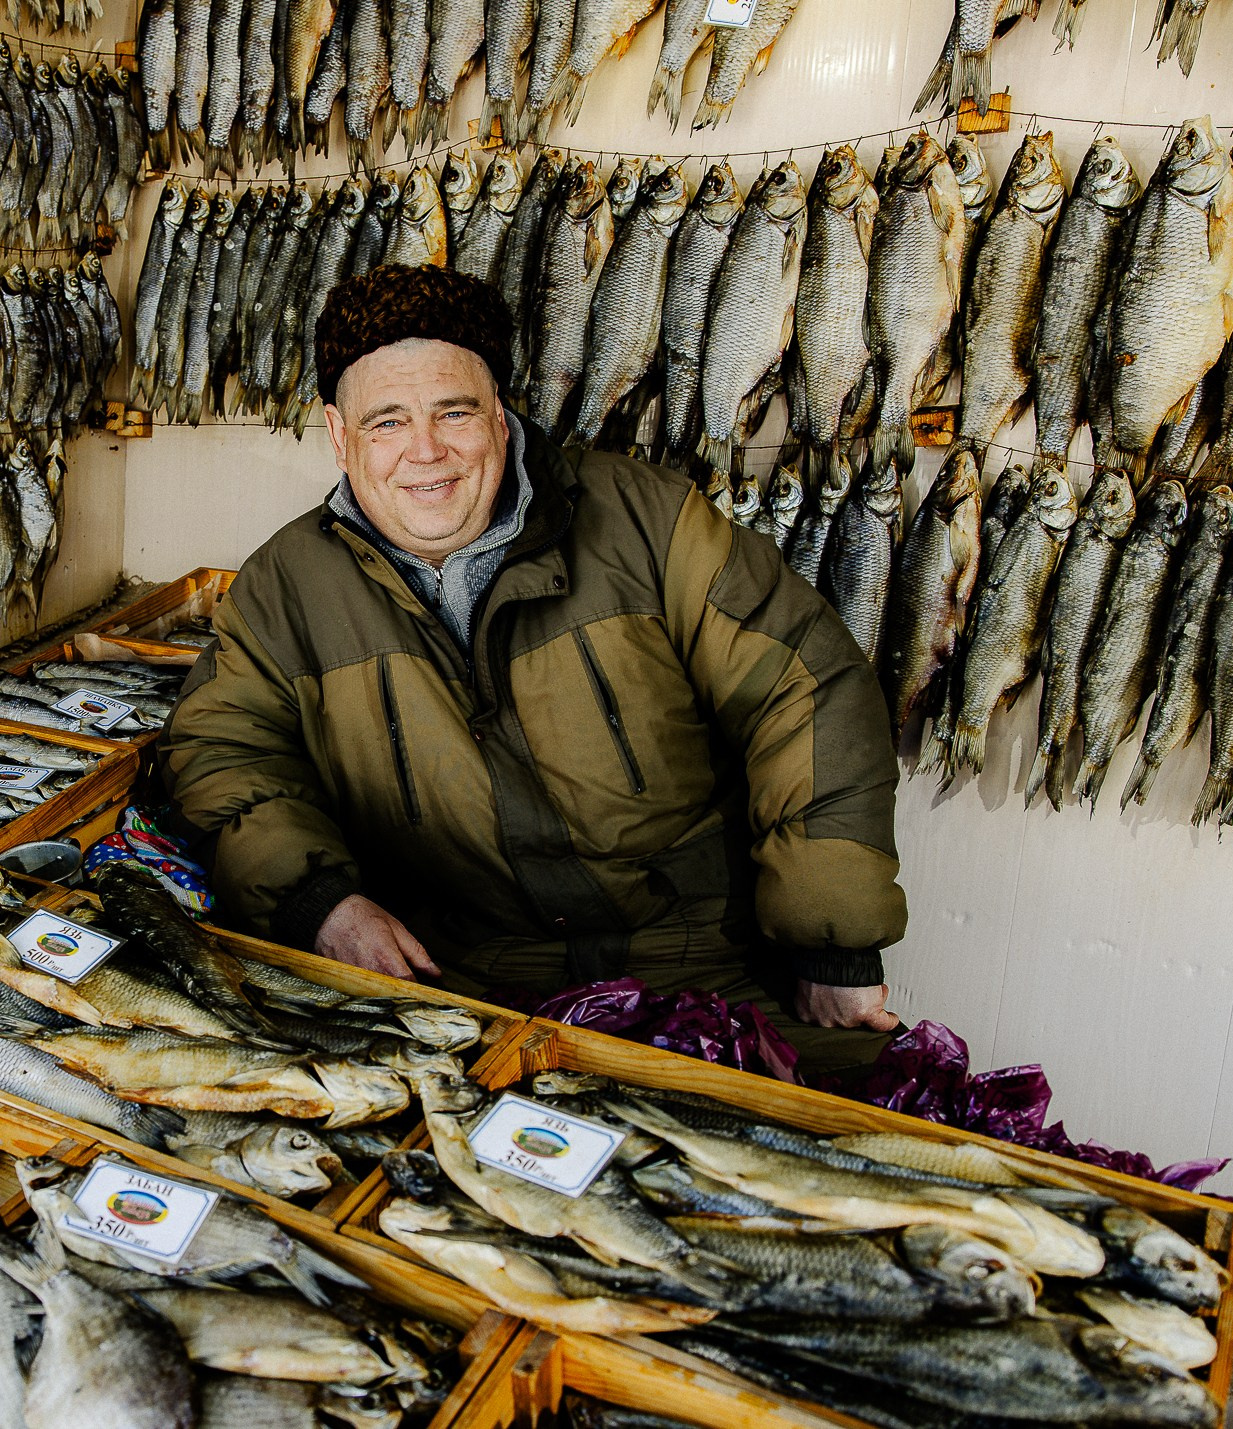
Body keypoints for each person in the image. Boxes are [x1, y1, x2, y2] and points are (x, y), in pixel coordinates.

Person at [157, 265, 908, 1074]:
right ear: (339, 436)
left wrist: (833, 941)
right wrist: (320, 902)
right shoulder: (288, 585)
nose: (426, 452)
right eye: (387, 422)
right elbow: (220, 750)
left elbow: (806, 687)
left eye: (455, 411)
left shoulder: (645, 522)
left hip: (705, 961)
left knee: (880, 1147)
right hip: (459, 984)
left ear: (503, 419)